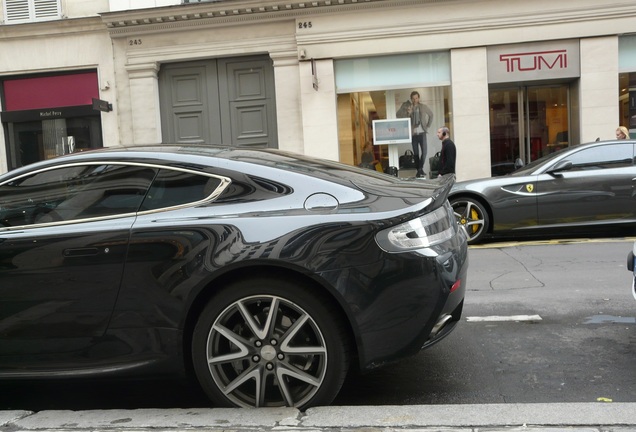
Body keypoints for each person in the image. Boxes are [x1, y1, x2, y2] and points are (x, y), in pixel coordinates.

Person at [397, 91, 433, 178]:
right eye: (413, 98)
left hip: (422, 133)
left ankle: (420, 169)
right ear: (411, 99)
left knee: (424, 152)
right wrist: (408, 113)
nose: (415, 100)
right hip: (413, 134)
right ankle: (419, 171)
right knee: (416, 154)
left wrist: (427, 126)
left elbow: (431, 115)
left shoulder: (423, 107)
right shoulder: (409, 107)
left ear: (419, 98)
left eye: (416, 98)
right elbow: (398, 115)